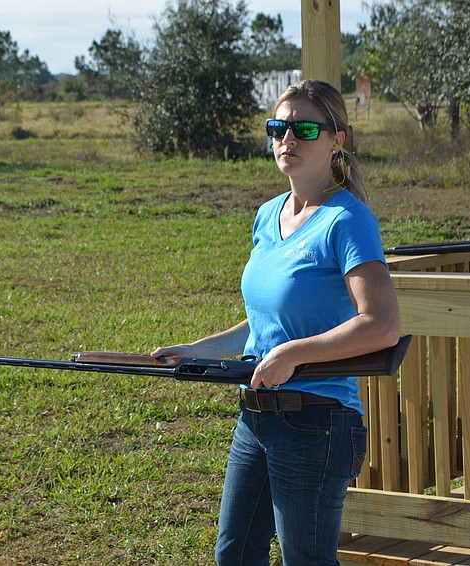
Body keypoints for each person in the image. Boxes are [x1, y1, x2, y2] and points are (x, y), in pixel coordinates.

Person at [151, 80, 401, 566]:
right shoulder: (268, 215)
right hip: (256, 415)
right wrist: (199, 350)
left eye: (305, 128)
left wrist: (294, 353)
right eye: (278, 127)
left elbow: (382, 325)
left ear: (337, 140)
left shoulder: (348, 220)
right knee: (236, 556)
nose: (287, 138)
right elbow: (264, 325)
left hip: (318, 420)